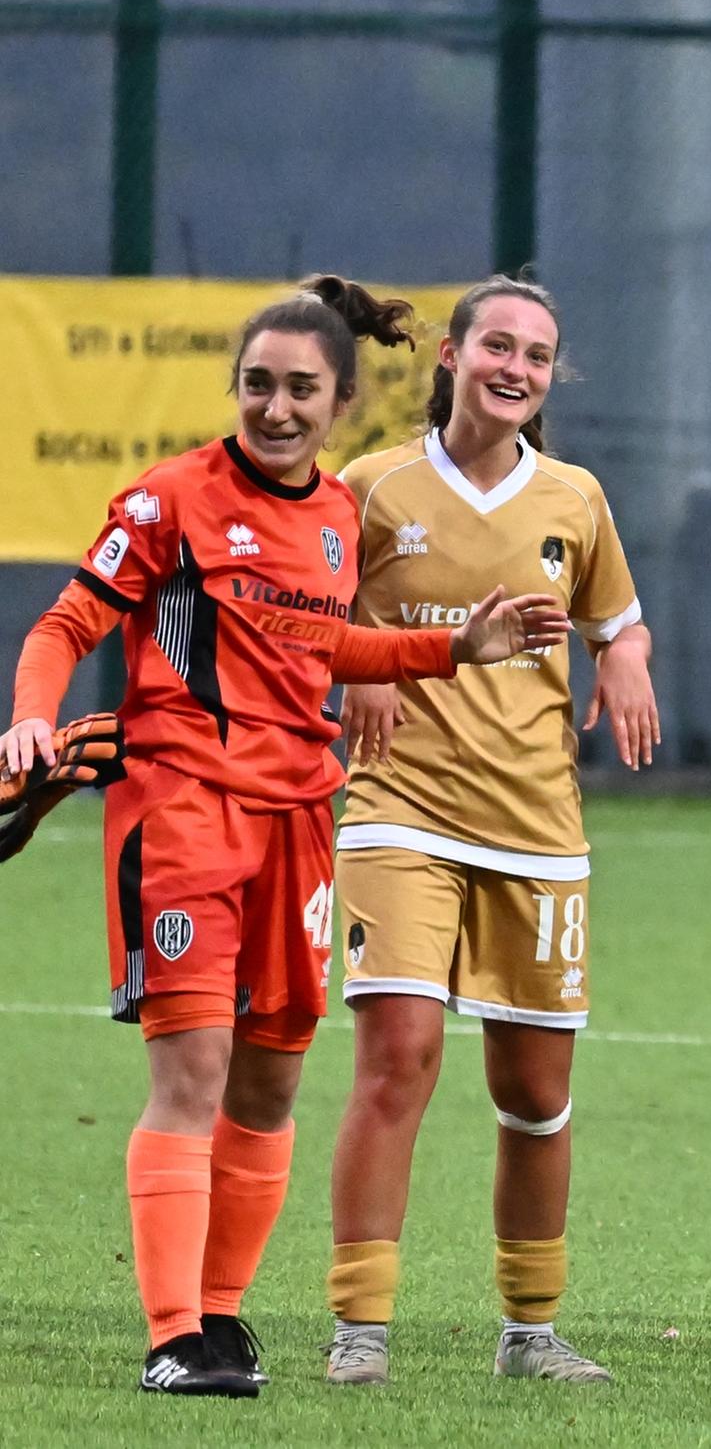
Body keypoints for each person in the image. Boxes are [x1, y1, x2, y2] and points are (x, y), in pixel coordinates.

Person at [6, 279, 565, 1399]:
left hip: (302, 821)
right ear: (237, 389)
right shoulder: (171, 499)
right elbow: (69, 622)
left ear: (340, 401)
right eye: (258, 384)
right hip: (182, 811)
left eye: (301, 388)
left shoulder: (335, 518)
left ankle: (220, 1316)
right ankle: (174, 1336)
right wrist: (29, 714)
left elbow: (326, 648)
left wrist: (456, 648)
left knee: (268, 1084)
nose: (277, 406)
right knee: (194, 1069)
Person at [317, 279, 653, 1387]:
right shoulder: (371, 487)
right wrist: (359, 665)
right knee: (398, 1058)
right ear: (451, 356)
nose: (516, 368)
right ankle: (361, 1327)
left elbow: (619, 620)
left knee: (537, 1094)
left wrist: (627, 662)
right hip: (399, 810)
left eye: (537, 355)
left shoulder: (575, 497)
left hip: (535, 826)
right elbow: (314, 617)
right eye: (497, 346)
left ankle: (531, 1332)